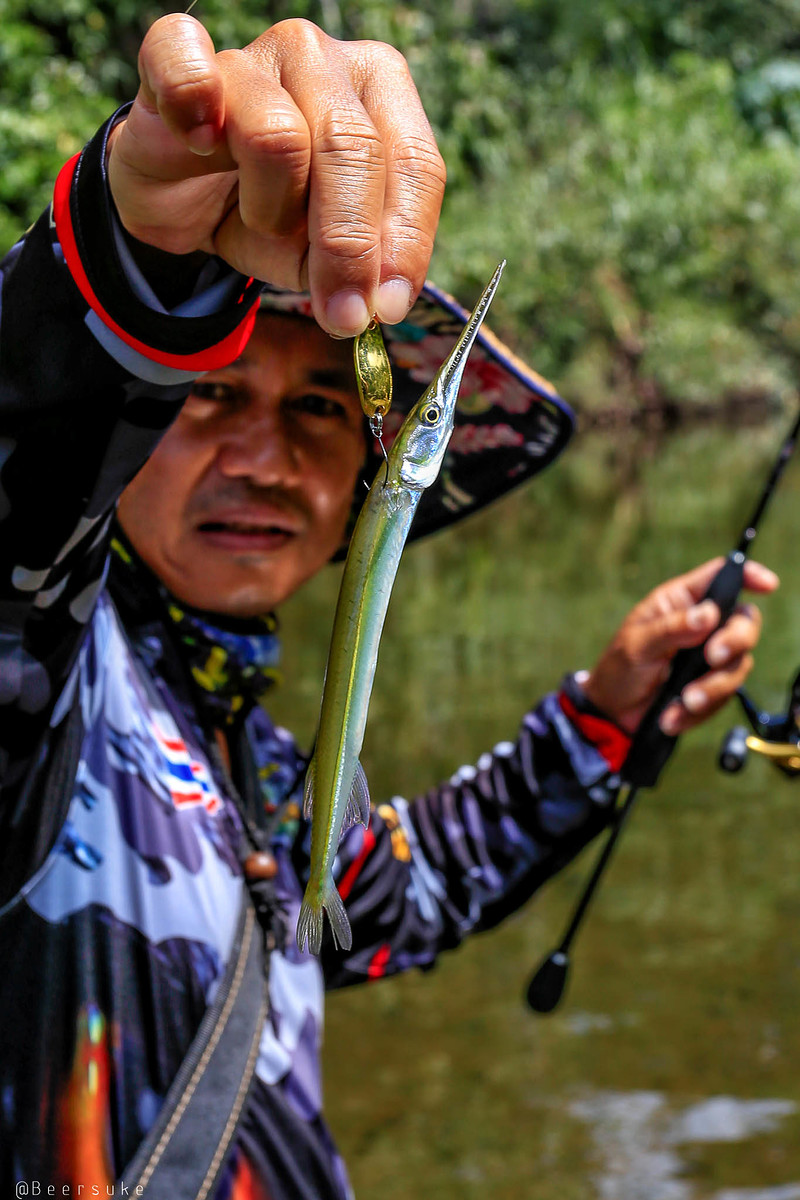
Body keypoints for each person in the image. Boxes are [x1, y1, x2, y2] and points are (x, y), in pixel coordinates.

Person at [0, 13, 777, 1200]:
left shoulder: (247, 756)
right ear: (142, 418)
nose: (262, 458)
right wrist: (127, 260)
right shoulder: (51, 690)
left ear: (369, 471)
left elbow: (390, 899)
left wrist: (603, 720)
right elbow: (25, 528)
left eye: (318, 409)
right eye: (206, 397)